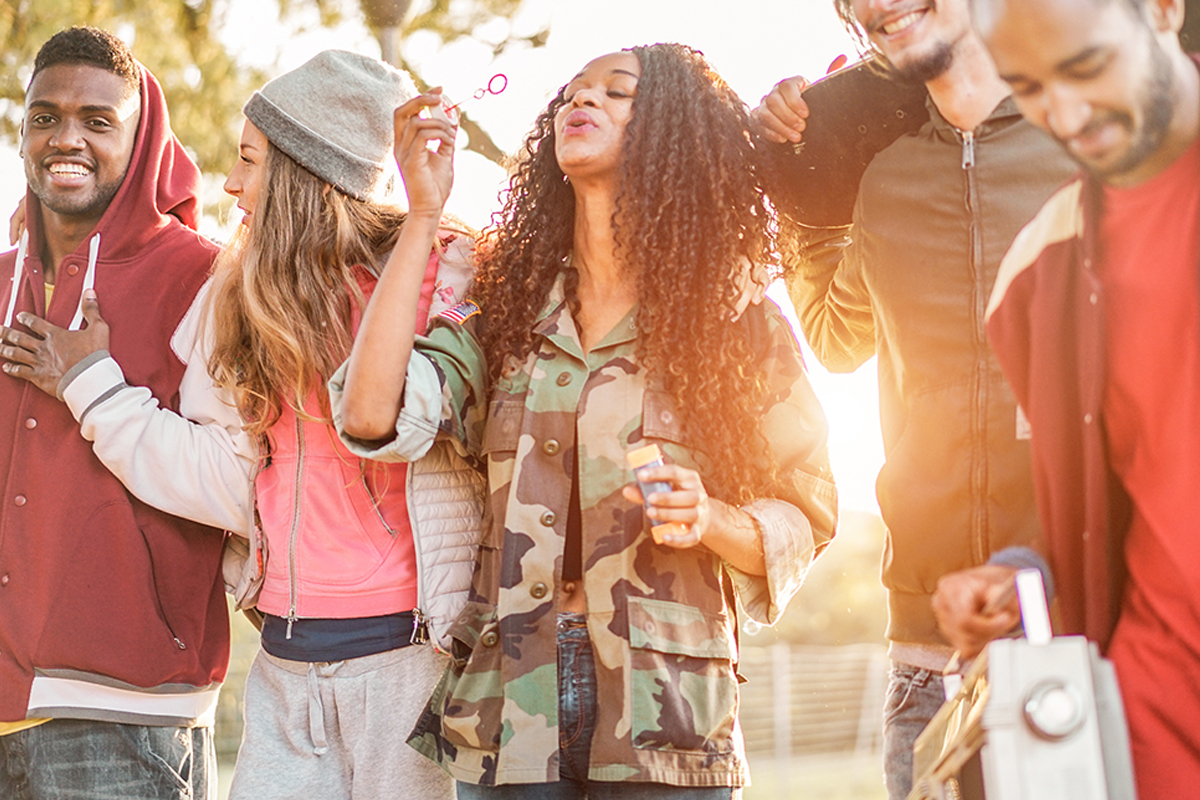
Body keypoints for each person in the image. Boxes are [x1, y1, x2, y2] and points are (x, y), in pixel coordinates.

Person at [332, 42, 838, 797]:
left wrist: (712, 517)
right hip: (511, 703)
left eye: (618, 92)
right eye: (573, 92)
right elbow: (372, 415)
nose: (583, 101)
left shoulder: (733, 321)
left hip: (664, 713)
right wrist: (425, 213)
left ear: (674, 132)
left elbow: (809, 508)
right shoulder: (504, 309)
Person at [749, 1, 1079, 796]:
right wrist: (795, 182)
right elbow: (833, 337)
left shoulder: (1093, 150)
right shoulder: (887, 182)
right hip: (928, 661)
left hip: (1095, 631)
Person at [931, 0, 1200, 795]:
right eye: (1030, 86)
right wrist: (1020, 578)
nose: (1068, 115)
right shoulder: (1035, 277)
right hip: (1152, 740)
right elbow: (1104, 509)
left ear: (1162, 9)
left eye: (1086, 68)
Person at [207, 50, 476, 800]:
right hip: (284, 661)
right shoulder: (248, 297)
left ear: (302, 173)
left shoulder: (434, 274)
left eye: (249, 161)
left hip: (404, 661)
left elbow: (399, 413)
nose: (230, 182)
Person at [0, 26, 243, 799]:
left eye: (97, 121)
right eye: (45, 117)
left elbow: (239, 488)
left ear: (141, 142)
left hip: (125, 719)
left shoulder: (205, 279)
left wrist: (93, 384)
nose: (65, 138)